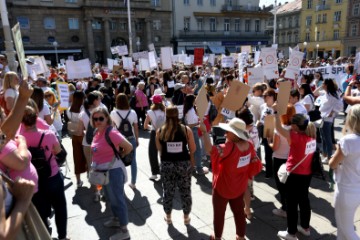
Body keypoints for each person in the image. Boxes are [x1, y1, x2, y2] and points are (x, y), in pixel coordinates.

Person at [201, 117, 262, 240]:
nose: (225, 133)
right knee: (239, 213)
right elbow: (254, 162)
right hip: (239, 187)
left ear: (235, 134)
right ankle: (240, 236)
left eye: (228, 131)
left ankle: (217, 237)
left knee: (219, 214)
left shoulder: (229, 147)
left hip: (222, 188)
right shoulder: (249, 145)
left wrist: (204, 132)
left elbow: (209, 150)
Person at [21, 105, 70, 240]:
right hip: (52, 175)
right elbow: (59, 153)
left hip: (34, 180)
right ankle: (62, 236)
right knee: (60, 207)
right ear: (36, 118)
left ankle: (45, 236)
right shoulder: (48, 135)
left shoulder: (19, 138)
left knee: (41, 212)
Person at [90, 107, 133, 240]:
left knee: (118, 200)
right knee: (110, 198)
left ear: (107, 118)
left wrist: (120, 155)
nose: (98, 121)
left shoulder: (111, 132)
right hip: (103, 172)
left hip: (113, 171)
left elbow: (129, 147)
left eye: (101, 118)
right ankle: (116, 219)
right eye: (95, 119)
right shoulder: (97, 132)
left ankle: (124, 230)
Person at [273, 111, 317, 240]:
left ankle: (291, 233)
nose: (290, 126)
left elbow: (279, 128)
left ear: (296, 127)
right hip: (306, 175)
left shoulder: (295, 137)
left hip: (294, 175)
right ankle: (305, 228)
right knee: (304, 201)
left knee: (291, 204)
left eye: (292, 124)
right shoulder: (312, 137)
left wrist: (276, 114)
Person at [155, 106, 195, 225]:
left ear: (166, 116)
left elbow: (159, 149)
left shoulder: (160, 131)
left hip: (167, 164)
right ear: (178, 115)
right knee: (185, 191)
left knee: (168, 191)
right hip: (183, 164)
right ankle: (186, 218)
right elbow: (193, 148)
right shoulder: (186, 130)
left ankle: (168, 217)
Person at [329, 104, 360, 240]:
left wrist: (337, 151)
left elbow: (332, 164)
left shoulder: (348, 140)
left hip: (346, 189)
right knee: (343, 230)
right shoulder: (349, 140)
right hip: (355, 187)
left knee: (346, 229)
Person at [269, 104, 296, 218]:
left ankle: (285, 209)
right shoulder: (296, 129)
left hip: (279, 160)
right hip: (292, 159)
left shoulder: (279, 130)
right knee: (291, 186)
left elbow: (275, 147)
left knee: (281, 186)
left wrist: (269, 141)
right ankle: (293, 206)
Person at [110, 93, 139, 189]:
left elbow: (112, 127)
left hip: (119, 140)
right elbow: (135, 127)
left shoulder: (113, 113)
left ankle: (121, 182)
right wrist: (137, 139)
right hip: (131, 138)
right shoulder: (133, 112)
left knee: (119, 161)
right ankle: (133, 183)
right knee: (133, 160)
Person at [183, 94, 209, 175]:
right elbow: (190, 124)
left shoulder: (191, 109)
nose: (196, 101)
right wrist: (199, 122)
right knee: (197, 150)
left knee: (193, 150)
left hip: (192, 130)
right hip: (193, 131)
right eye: (194, 100)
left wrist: (198, 119)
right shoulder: (190, 110)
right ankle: (199, 168)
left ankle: (193, 167)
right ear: (192, 101)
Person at [66, 90, 87, 187]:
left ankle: (78, 181)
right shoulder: (84, 109)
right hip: (84, 135)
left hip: (74, 135)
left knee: (77, 157)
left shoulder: (69, 109)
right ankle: (90, 177)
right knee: (88, 157)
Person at [144, 94, 165, 180]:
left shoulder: (150, 112)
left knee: (152, 153)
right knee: (164, 153)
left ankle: (155, 173)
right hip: (165, 132)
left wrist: (152, 127)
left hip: (154, 133)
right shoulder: (166, 110)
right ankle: (165, 171)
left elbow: (145, 126)